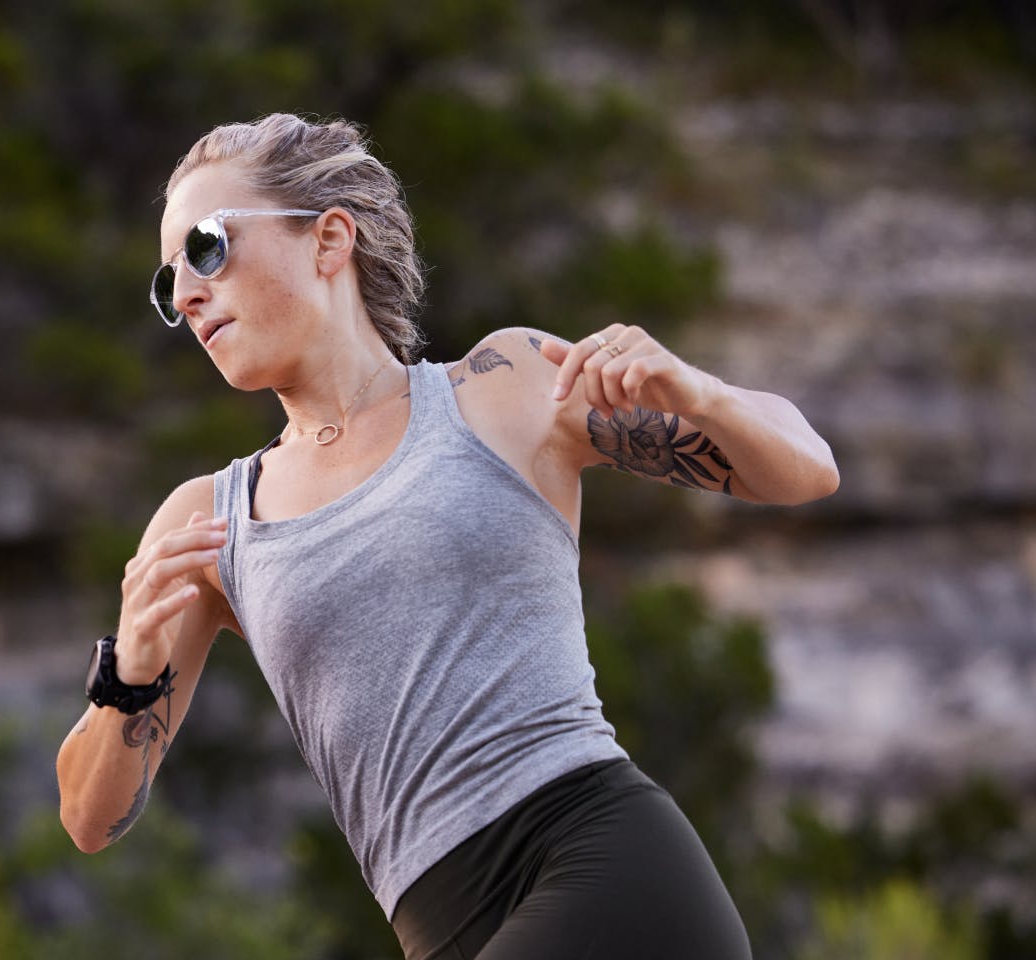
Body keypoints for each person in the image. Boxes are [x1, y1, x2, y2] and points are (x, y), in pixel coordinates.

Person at [56, 113, 839, 960]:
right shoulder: (207, 520)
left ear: (328, 240)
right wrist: (128, 678)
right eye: (166, 279)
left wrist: (703, 395)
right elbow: (90, 822)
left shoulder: (502, 389)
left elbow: (806, 469)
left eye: (206, 247)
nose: (185, 294)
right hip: (440, 928)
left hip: (605, 861)